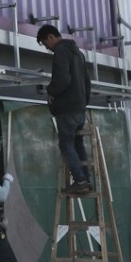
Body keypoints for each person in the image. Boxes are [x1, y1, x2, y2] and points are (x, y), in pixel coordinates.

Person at [37, 24, 92, 193]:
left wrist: (51, 91)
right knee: (77, 143)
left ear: (50, 37)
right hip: (79, 108)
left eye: (45, 44)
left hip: (67, 108)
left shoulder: (61, 51)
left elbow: (63, 79)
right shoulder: (78, 53)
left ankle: (80, 180)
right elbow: (87, 82)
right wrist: (83, 103)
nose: (47, 48)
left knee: (66, 144)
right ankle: (86, 179)